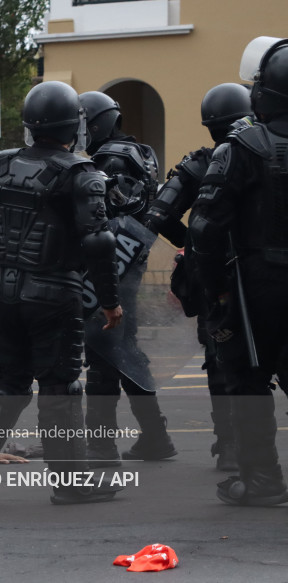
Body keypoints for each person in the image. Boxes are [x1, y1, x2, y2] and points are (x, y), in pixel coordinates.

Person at [0, 81, 124, 505]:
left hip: (2, 292)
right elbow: (100, 242)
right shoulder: (81, 173)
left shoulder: (1, 164)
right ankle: (72, 483)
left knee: (7, 380)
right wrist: (109, 299)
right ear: (74, 124)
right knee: (59, 385)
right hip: (53, 293)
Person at [189, 36, 288, 506]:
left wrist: (216, 292)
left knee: (249, 382)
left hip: (258, 285)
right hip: (260, 279)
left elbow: (205, 229)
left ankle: (264, 481)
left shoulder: (241, 147)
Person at [144, 83, 253, 472]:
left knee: (221, 361)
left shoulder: (200, 163)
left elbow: (157, 215)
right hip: (260, 274)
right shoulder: (265, 154)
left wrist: (192, 241)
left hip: (214, 275)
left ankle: (229, 446)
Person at [77, 91, 177, 467]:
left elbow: (104, 221)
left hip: (113, 266)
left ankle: (100, 447)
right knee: (125, 350)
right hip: (132, 262)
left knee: (103, 354)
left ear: (97, 122)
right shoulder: (141, 153)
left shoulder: (111, 160)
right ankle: (156, 436)